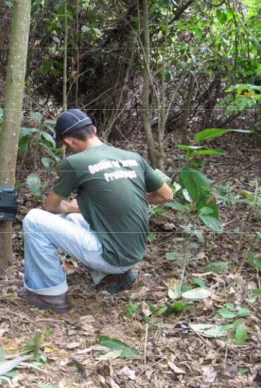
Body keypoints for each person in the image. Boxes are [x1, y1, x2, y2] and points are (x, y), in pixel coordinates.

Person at [20, 109, 173, 313]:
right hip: (134, 252)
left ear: (70, 141)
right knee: (74, 219)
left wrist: (68, 205)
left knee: (34, 219)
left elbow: (50, 207)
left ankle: (50, 294)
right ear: (94, 129)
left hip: (112, 256)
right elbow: (166, 195)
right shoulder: (132, 157)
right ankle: (116, 276)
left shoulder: (75, 163)